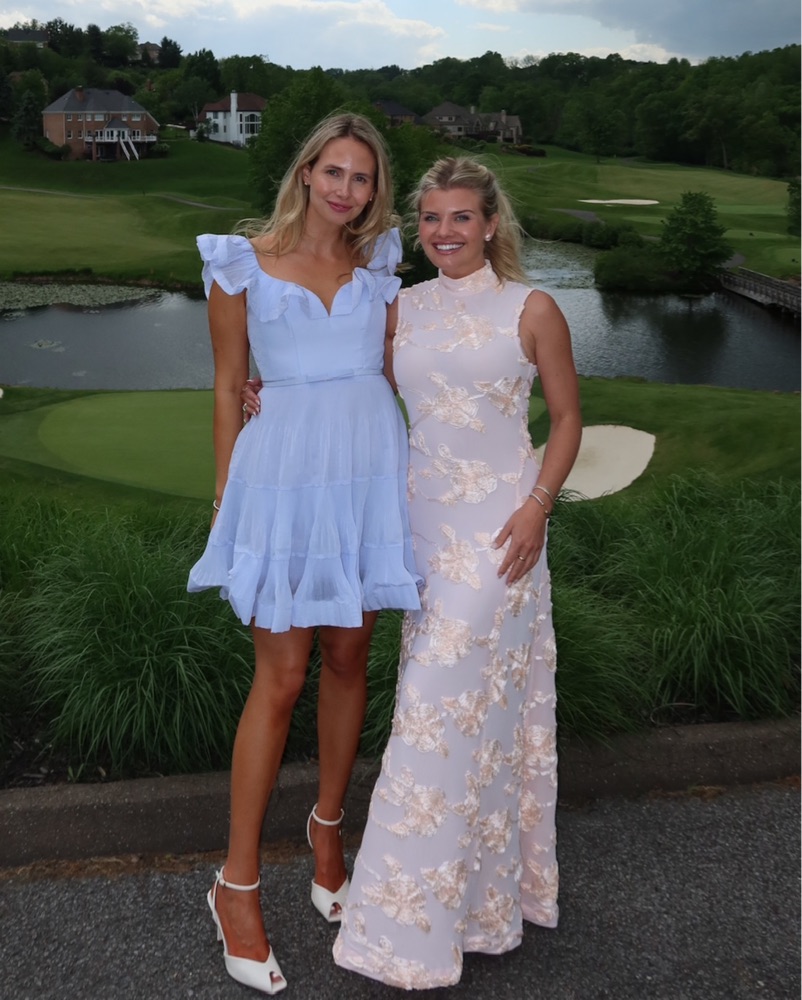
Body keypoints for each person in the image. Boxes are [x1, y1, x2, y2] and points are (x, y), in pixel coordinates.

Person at [330, 156, 582, 988]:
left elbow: (568, 418)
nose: (445, 232)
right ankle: (479, 908)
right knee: (457, 714)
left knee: (435, 711)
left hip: (501, 534)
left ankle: (404, 926)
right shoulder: (401, 308)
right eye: (432, 218)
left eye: (461, 217)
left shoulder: (532, 308)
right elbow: (357, 390)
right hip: (422, 534)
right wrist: (271, 389)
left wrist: (538, 507)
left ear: (491, 223)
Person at [187, 112, 422, 995]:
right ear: (305, 172)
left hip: (366, 476)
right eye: (334, 171)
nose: (346, 190)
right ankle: (236, 885)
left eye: (363, 177)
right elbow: (226, 384)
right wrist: (227, 498)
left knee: (351, 655)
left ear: (375, 189)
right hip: (283, 481)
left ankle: (328, 833)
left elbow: (398, 372)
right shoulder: (239, 263)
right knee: (281, 679)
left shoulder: (382, 264)